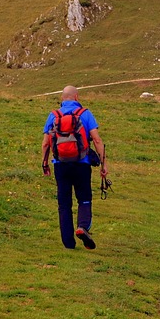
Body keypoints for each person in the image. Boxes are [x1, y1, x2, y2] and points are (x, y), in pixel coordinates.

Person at [40, 85, 108, 250]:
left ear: (62, 98)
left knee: (64, 204)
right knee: (84, 199)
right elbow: (97, 140)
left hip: (60, 165)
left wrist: (44, 163)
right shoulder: (85, 114)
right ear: (77, 97)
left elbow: (46, 143)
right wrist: (103, 164)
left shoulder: (53, 115)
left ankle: (68, 243)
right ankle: (82, 227)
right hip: (82, 164)